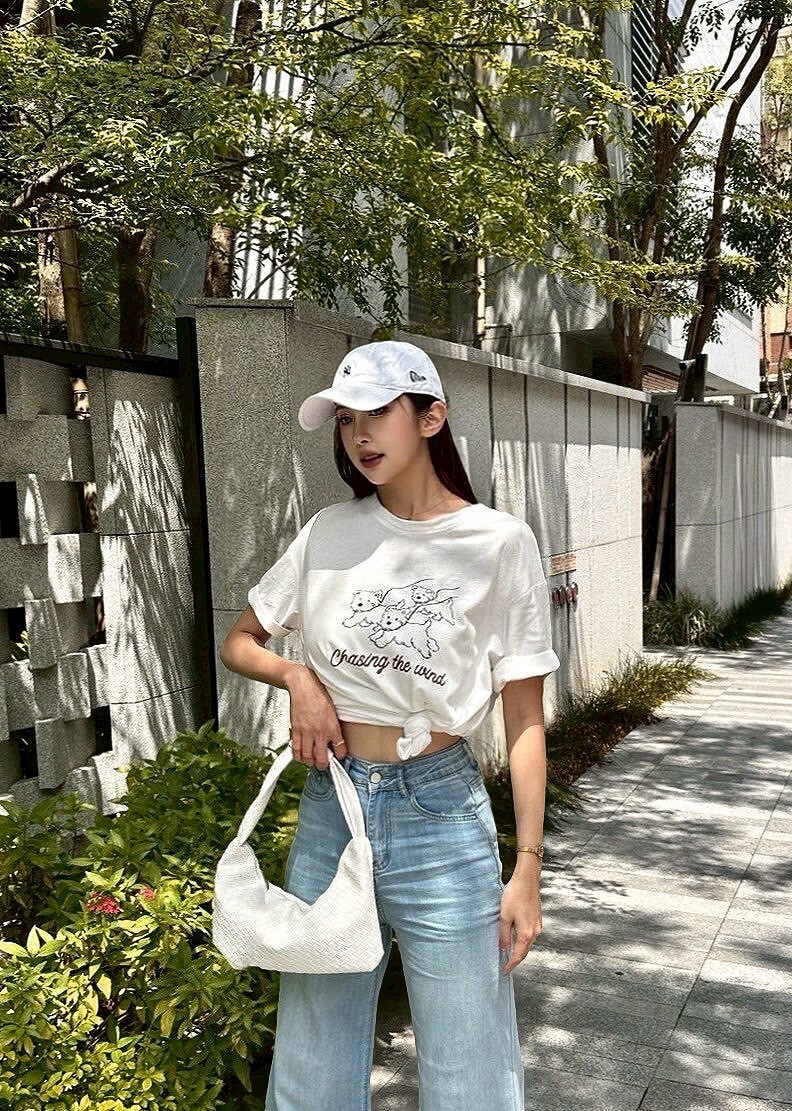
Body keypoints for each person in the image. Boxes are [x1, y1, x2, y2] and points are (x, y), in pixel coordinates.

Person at [219, 340, 561, 1111]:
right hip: (333, 808)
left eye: (377, 411)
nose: (359, 434)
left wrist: (528, 865)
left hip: (441, 813)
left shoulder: (499, 543)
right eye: (346, 420)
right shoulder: (328, 533)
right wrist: (298, 677)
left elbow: (525, 716)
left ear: (431, 416)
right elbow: (240, 640)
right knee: (310, 1068)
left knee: (471, 1072)